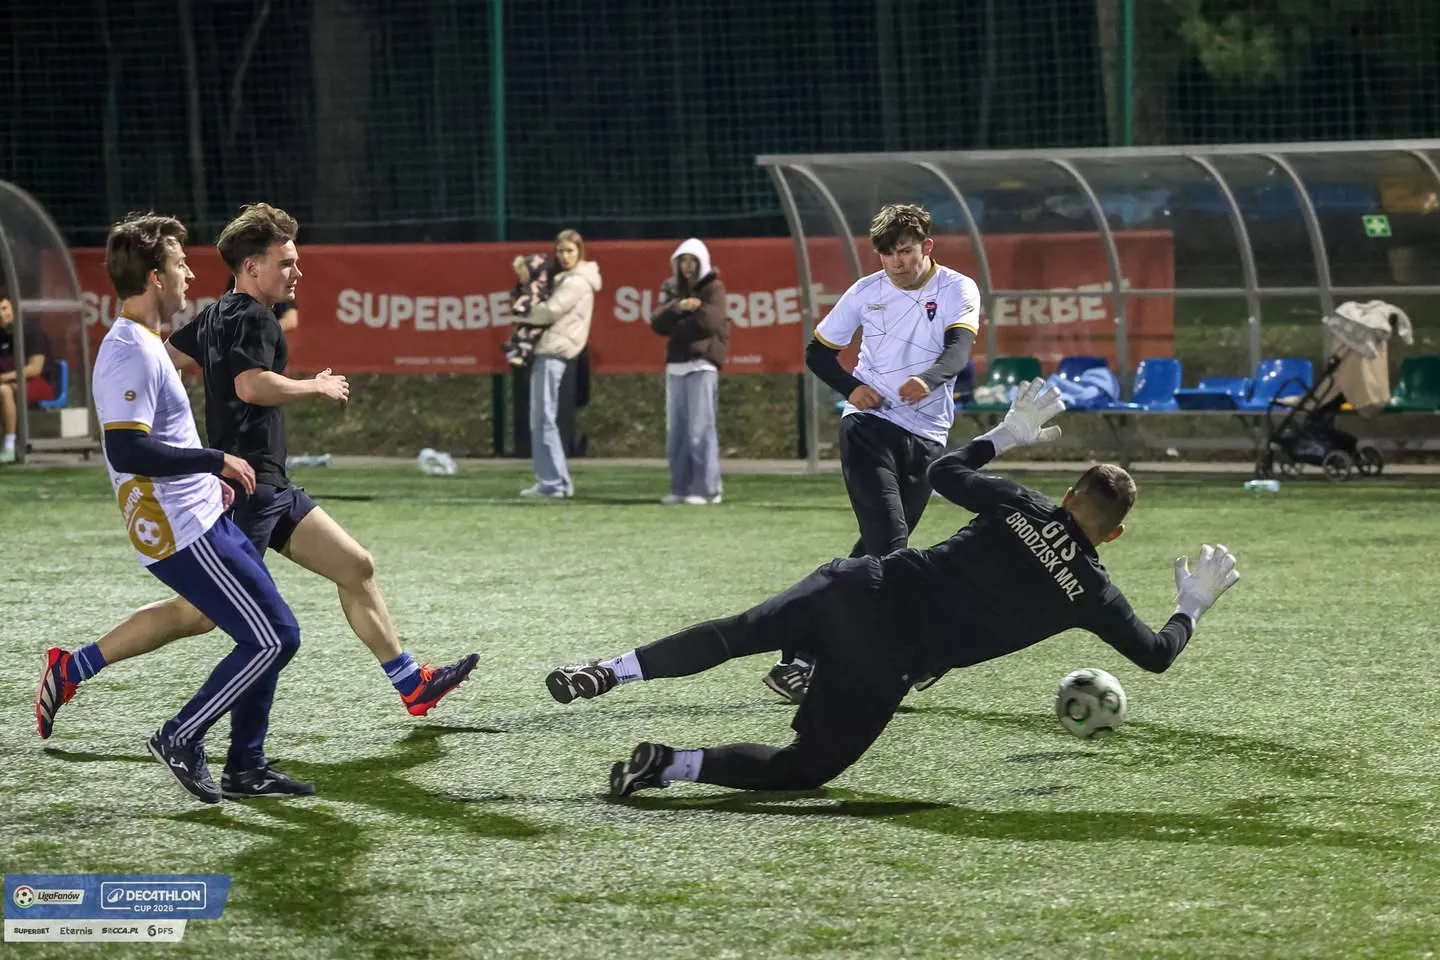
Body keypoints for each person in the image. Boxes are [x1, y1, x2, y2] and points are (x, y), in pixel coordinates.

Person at [544, 379, 1240, 798]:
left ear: (1069, 494)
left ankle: (607, 670)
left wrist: (1005, 434)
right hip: (888, 660)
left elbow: (941, 473)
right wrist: (1191, 606)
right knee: (803, 769)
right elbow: (1156, 654)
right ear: (1114, 535)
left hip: (860, 587)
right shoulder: (1093, 592)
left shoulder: (1023, 504)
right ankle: (667, 765)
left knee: (736, 634)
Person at [35, 204, 478, 743]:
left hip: (271, 485)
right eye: (285, 263)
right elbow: (249, 385)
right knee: (217, 620)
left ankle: (410, 683)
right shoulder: (253, 317)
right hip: (245, 489)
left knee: (356, 566)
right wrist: (313, 387)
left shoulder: (217, 314)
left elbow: (171, 358)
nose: (297, 272)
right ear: (251, 267)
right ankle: (83, 674)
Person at [37, 212, 307, 802]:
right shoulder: (128, 351)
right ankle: (181, 735)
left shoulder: (148, 342)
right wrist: (215, 460)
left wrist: (211, 478)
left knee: (264, 632)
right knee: (272, 638)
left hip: (202, 513)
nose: (191, 274)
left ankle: (246, 767)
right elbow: (126, 448)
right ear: (157, 277)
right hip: (180, 531)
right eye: (181, 264)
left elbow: (163, 436)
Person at [763, 203, 981, 704]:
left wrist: (928, 379)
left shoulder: (958, 288)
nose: (896, 263)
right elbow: (817, 353)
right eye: (887, 254)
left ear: (926, 247)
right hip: (868, 429)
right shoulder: (865, 292)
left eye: (905, 251)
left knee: (873, 553)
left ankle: (799, 655)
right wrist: (851, 388)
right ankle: (917, 653)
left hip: (928, 438)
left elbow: (958, 352)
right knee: (892, 546)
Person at [518, 229, 600, 499]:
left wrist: (524, 313)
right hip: (551, 350)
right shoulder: (567, 278)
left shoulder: (576, 281)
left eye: (570, 251)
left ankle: (554, 483)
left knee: (544, 418)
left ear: (580, 252)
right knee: (541, 418)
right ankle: (553, 480)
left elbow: (551, 310)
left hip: (554, 350)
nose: (564, 256)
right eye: (560, 251)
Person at [648, 238, 729, 505]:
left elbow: (709, 322)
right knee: (677, 433)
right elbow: (657, 322)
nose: (688, 266)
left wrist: (679, 322)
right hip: (676, 366)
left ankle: (707, 489)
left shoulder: (714, 287)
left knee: (700, 430)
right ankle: (680, 488)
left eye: (693, 260)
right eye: (683, 260)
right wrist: (679, 308)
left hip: (702, 364)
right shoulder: (671, 288)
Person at [0, 293, 62, 463]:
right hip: (12, 382)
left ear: (13, 308)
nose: (1, 314)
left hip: (41, 383)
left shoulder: (31, 332)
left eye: (4, 308)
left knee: (4, 391)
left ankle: (9, 445)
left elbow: (35, 369)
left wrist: (3, 378)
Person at [503, 253, 553, 369]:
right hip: (532, 317)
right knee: (525, 333)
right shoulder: (528, 287)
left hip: (541, 322)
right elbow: (522, 304)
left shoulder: (547, 284)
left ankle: (521, 352)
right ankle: (519, 352)